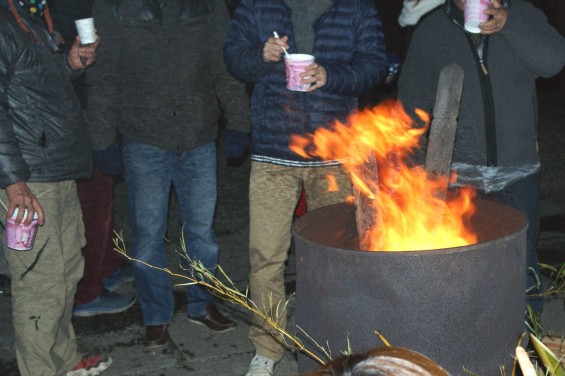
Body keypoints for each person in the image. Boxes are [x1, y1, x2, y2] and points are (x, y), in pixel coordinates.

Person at [224, 1, 389, 374]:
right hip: (272, 153)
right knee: (265, 257)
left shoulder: (354, 7)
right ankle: (267, 348)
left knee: (335, 258)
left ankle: (333, 344)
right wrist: (259, 55)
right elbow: (233, 59)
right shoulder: (256, 5)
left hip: (332, 154)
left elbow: (376, 64)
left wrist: (330, 74)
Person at [91, 0, 251, 349]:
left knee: (202, 234)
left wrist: (239, 120)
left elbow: (221, 64)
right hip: (143, 136)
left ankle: (201, 302)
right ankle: (156, 315)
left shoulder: (207, 6)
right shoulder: (116, 6)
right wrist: (102, 138)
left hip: (198, 134)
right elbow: (104, 73)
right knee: (148, 237)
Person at [396, 0, 565, 322]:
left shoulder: (523, 15)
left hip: (518, 171)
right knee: (463, 268)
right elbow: (411, 102)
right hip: (460, 174)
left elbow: (553, 61)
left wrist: (509, 24)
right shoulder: (433, 29)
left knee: (521, 267)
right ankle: (472, 342)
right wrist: (414, 167)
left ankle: (527, 345)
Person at [0, 0, 112, 375]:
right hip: (28, 178)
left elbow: (37, 85)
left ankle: (64, 361)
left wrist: (70, 64)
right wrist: (14, 183)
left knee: (66, 271)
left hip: (57, 168)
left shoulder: (34, 16)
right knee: (39, 281)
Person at [48, 0, 137, 318]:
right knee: (93, 202)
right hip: (79, 112)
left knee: (104, 196)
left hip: (93, 107)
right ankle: (86, 292)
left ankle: (108, 266)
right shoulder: (54, 10)